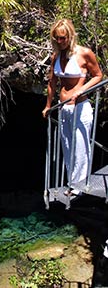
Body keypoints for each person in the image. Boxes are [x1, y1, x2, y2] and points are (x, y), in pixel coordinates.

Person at [42, 19, 103, 196]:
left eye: (63, 38)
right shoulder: (56, 56)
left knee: (81, 147)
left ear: (70, 36)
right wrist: (47, 106)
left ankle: (80, 187)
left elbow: (98, 75)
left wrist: (82, 89)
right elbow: (52, 83)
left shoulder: (85, 53)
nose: (60, 41)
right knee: (68, 146)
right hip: (63, 109)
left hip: (80, 107)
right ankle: (72, 183)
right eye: (57, 38)